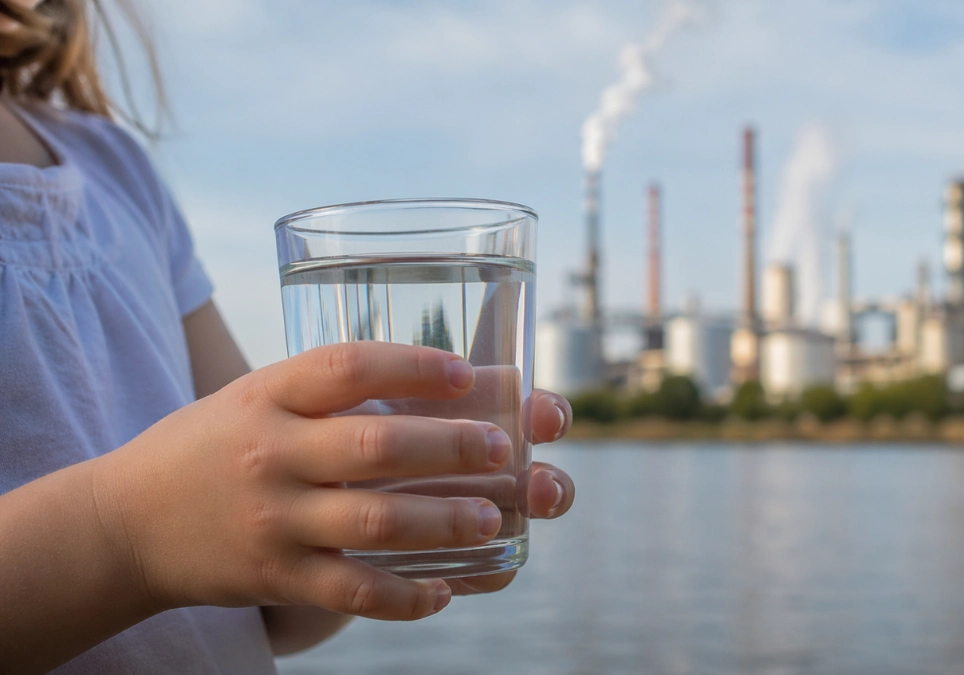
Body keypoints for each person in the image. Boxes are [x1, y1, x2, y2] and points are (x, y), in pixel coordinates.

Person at [0, 1, 577, 672]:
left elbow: (276, 605)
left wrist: (367, 510)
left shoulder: (116, 168)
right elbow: (158, 532)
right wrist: (129, 536)